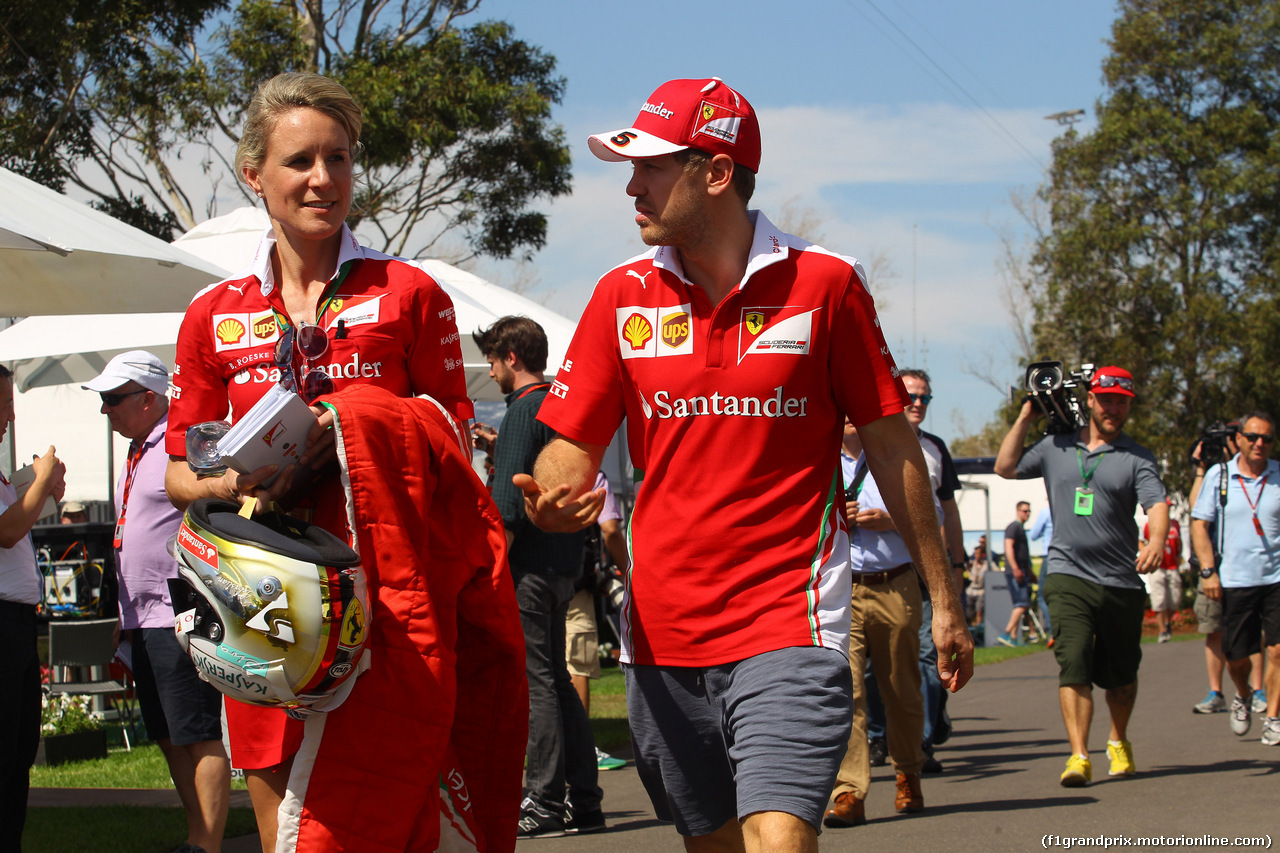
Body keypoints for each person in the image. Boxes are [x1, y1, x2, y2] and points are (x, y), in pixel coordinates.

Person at [517, 76, 974, 853]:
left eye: (653, 166)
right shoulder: (619, 297)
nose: (632, 186)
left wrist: (945, 594)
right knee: (719, 842)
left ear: (717, 172)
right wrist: (552, 497)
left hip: (790, 621)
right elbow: (570, 448)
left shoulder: (826, 286)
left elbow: (895, 448)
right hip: (662, 637)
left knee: (779, 832)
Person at [164, 72, 524, 853]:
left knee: (386, 820)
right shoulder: (212, 314)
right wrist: (233, 478)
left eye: (340, 158)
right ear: (254, 174)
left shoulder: (410, 294)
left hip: (386, 610)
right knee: (289, 836)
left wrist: (346, 431)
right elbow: (176, 472)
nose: (324, 179)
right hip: (259, 607)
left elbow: (453, 446)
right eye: (300, 161)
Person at [82, 351, 232, 853]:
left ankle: (208, 843)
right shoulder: (138, 450)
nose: (107, 410)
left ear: (150, 399)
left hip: (181, 606)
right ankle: (196, 835)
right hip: (140, 614)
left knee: (196, 729)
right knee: (167, 734)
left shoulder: (182, 445)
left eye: (113, 399)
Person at [995, 365, 1167, 786]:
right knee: (1073, 661)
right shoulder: (1056, 445)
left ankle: (1118, 740)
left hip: (1121, 579)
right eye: (1105, 399)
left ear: (1128, 406)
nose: (1112, 408)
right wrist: (1025, 417)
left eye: (1121, 402)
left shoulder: (1137, 457)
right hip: (1067, 574)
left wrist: (1156, 541)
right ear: (1090, 399)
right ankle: (1078, 755)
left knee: (1121, 676)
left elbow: (1157, 506)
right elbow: (1005, 466)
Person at [473, 316, 604, 838]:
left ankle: (544, 802)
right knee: (556, 682)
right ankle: (585, 802)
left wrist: (492, 575)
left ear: (510, 356)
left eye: (491, 358)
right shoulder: (556, 405)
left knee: (537, 684)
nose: (489, 369)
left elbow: (506, 503)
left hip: (526, 566)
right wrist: (497, 447)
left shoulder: (522, 410)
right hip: (563, 563)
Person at [823, 421, 936, 829]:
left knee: (900, 687)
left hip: (895, 584)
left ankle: (908, 773)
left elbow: (933, 513)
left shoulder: (896, 454)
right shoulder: (819, 458)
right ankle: (849, 790)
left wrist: (890, 519)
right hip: (840, 589)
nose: (849, 418)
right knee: (845, 691)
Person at [0, 365, 66, 853]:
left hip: (17, 622)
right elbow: (6, 531)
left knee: (20, 746)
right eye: (3, 404)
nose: (10, 415)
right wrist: (40, 480)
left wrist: (41, 489)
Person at [1190, 411, 1280, 746]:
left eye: (1267, 439)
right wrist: (1209, 571)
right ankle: (1242, 693)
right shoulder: (1220, 475)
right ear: (1239, 438)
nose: (1260, 444)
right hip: (1235, 579)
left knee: (1278, 650)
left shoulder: (1278, 475)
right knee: (1237, 657)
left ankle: (1272, 716)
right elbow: (1199, 524)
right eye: (1253, 437)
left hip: (1276, 578)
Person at [896, 369, 967, 770]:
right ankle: (879, 737)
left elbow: (950, 514)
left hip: (928, 572)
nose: (918, 404)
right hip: (883, 569)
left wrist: (955, 565)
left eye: (925, 397)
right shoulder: (869, 443)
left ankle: (923, 741)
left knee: (929, 654)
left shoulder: (936, 448)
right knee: (876, 663)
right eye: (911, 396)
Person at [1188, 435, 1265, 714]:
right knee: (1214, 630)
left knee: (1255, 633)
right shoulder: (1214, 475)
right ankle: (1216, 691)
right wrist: (1201, 467)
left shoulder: (1258, 473)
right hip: (1215, 565)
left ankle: (1258, 690)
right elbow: (1196, 509)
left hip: (1250, 569)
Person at [569, 471, 630, 772]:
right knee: (577, 665)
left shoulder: (532, 463)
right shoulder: (592, 477)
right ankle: (582, 749)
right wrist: (629, 573)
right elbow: (610, 531)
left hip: (530, 582)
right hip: (576, 584)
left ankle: (549, 747)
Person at [1143, 499, 1182, 643]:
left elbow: (1180, 543)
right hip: (1158, 568)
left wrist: (1179, 558)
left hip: (1172, 566)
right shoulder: (1149, 525)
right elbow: (1141, 540)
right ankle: (1163, 631)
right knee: (1159, 600)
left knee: (1174, 601)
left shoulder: (1175, 524)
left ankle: (1167, 622)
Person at [999, 501, 1034, 647]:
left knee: (1018, 606)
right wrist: (1015, 568)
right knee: (1022, 604)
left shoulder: (1020, 528)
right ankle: (1006, 633)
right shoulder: (1014, 527)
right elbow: (1008, 547)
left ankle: (1013, 638)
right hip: (1016, 571)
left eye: (1029, 511)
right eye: (1025, 511)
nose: (1028, 514)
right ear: (1018, 511)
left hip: (1022, 570)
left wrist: (1030, 572)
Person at [1029, 505, 1055, 645]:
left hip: (1050, 554)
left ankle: (1053, 632)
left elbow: (1034, 535)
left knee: (1043, 596)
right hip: (1068, 557)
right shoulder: (1069, 507)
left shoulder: (1047, 511)